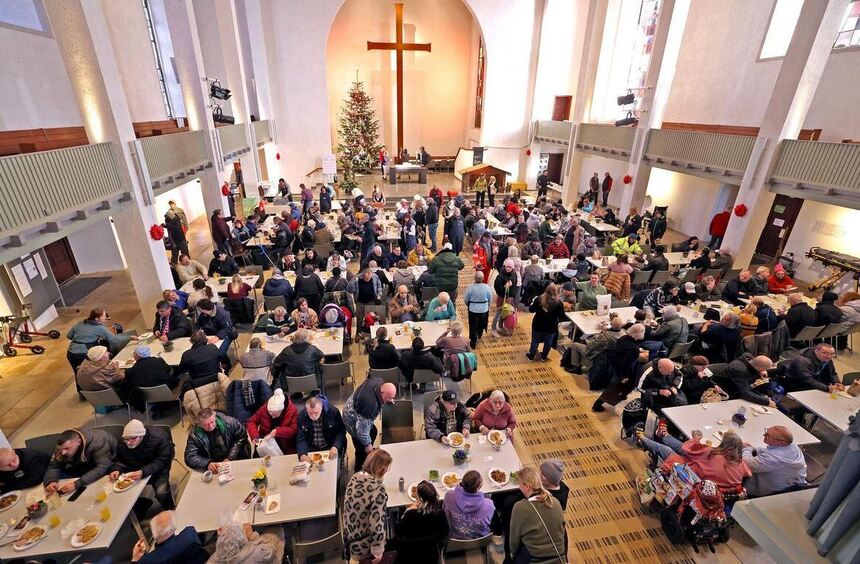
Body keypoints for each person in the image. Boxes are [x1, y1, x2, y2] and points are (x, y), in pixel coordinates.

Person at [638, 429, 751, 492]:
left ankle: (643, 438)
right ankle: (665, 435)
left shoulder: (711, 453)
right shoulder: (741, 464)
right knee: (682, 447)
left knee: (671, 450)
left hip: (691, 478)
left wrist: (696, 439)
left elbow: (687, 449)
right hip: (712, 490)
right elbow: (748, 473)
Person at [110, 420, 175, 510]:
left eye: (133, 439)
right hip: (135, 467)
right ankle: (141, 506)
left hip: (157, 468)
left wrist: (143, 471)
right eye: (126, 439)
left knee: (161, 492)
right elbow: (118, 459)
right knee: (120, 492)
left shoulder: (160, 438)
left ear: (142, 435)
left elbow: (163, 460)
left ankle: (169, 509)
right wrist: (116, 469)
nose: (128, 442)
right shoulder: (123, 440)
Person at [509, 466, 567, 564]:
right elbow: (562, 529)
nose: (519, 487)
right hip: (559, 557)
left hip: (535, 559)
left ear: (527, 487)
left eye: (519, 484)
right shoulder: (555, 502)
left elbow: (514, 539)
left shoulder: (520, 507)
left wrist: (512, 555)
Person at [342, 449, 392, 562]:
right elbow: (377, 524)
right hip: (364, 545)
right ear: (382, 470)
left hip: (350, 539)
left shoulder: (355, 477)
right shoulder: (378, 489)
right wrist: (378, 552)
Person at [343, 379, 397, 471]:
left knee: (373, 431)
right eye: (389, 397)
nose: (391, 400)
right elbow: (361, 431)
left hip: (353, 406)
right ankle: (359, 470)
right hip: (352, 420)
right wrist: (367, 445)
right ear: (382, 392)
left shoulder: (378, 382)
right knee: (361, 449)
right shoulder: (370, 405)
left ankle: (367, 456)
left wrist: (388, 400)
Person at [44, 428, 116, 494]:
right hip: (84, 463)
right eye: (61, 449)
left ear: (78, 442)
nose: (63, 453)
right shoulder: (62, 447)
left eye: (67, 449)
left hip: (110, 461)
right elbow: (54, 466)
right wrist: (51, 481)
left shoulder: (98, 442)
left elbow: (103, 467)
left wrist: (76, 484)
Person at [394, 480, 450, 563]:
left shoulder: (410, 515)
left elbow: (398, 532)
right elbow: (444, 533)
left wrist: (406, 511)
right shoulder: (440, 514)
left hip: (409, 552)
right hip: (430, 552)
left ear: (420, 499)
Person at [742, 426, 807, 497]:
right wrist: (753, 449)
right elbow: (768, 451)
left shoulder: (773, 459)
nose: (764, 435)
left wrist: (746, 448)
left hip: (770, 492)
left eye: (768, 435)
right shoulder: (792, 445)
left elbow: (746, 463)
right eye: (766, 432)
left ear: (781, 442)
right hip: (791, 484)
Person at [66, 308, 133, 374]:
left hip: (71, 353)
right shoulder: (100, 327)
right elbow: (114, 339)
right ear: (96, 319)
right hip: (83, 354)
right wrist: (130, 337)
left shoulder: (81, 323)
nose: (105, 318)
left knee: (78, 374)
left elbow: (69, 336)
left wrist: (82, 338)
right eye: (103, 316)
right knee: (90, 374)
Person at [130, 510, 208, 563]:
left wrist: (135, 558)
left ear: (154, 534)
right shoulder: (188, 536)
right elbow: (191, 531)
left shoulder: (146, 561)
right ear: (173, 529)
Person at [184, 408, 248, 471]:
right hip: (212, 462)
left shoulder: (230, 422)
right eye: (205, 425)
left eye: (212, 422)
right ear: (199, 424)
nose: (210, 426)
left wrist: (230, 457)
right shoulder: (194, 435)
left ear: (214, 416)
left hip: (233, 456)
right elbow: (189, 457)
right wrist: (207, 463)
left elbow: (242, 436)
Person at [124, 344, 178, 411]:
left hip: (147, 396)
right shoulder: (159, 361)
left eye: (134, 353)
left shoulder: (132, 370)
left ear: (138, 356)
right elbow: (168, 369)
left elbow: (128, 383)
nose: (133, 355)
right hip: (167, 391)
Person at [444, 470, 495, 540]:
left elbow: (445, 512)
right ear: (479, 487)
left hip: (455, 536)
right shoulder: (489, 505)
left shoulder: (449, 496)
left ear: (462, 483)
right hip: (478, 539)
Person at [246, 388, 298, 455]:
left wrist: (277, 431)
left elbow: (293, 430)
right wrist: (255, 435)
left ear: (282, 410)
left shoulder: (292, 410)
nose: (272, 417)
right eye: (270, 413)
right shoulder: (265, 408)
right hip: (264, 442)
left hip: (284, 444)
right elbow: (251, 421)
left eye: (274, 414)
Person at [207, 519, 284, 564]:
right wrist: (251, 536)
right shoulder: (262, 553)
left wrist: (224, 537)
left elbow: (221, 554)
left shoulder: (215, 560)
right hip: (269, 557)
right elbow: (270, 548)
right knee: (275, 526)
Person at [296, 395, 346, 462]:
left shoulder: (332, 411)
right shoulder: (301, 416)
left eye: (316, 413)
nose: (313, 416)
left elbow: (341, 431)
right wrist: (302, 454)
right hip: (311, 448)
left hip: (330, 446)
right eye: (310, 413)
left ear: (321, 407)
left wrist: (336, 446)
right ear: (306, 410)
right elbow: (301, 438)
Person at [527, 284, 565, 362]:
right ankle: (544, 357)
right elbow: (562, 316)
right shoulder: (559, 303)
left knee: (535, 340)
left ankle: (531, 357)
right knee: (548, 342)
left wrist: (532, 303)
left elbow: (531, 310)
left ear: (546, 290)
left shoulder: (539, 299)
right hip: (551, 326)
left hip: (538, 324)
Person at [195, 298, 236, 369]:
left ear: (207, 309)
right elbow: (198, 324)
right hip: (210, 334)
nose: (200, 311)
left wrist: (218, 337)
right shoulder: (204, 314)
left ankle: (226, 365)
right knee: (199, 349)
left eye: (201, 309)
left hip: (226, 334)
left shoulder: (223, 314)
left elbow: (227, 329)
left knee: (220, 352)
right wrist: (197, 331)